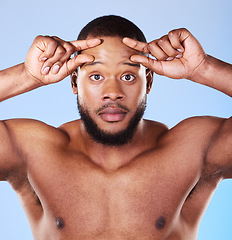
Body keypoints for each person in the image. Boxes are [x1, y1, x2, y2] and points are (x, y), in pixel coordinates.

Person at [0, 15, 231, 240]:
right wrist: (26, 75)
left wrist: (205, 68)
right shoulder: (35, 151)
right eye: (97, 76)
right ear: (74, 82)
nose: (113, 91)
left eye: (128, 76)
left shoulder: (190, 150)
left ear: (148, 81)